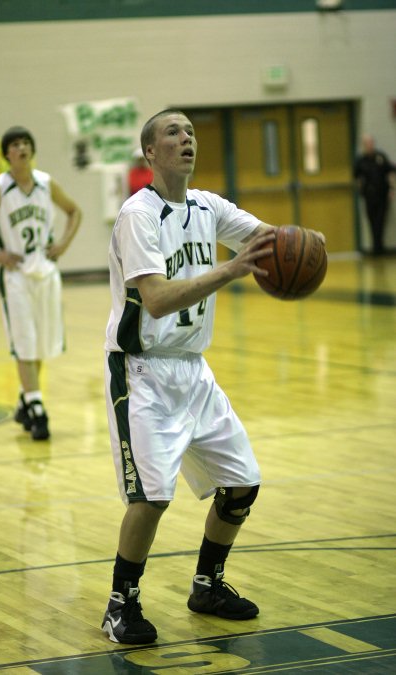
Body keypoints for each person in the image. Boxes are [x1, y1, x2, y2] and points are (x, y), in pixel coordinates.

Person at [102, 109, 325, 645]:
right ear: (150, 153)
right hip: (143, 372)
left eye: (191, 132)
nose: (187, 139)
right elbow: (154, 300)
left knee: (242, 483)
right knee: (150, 498)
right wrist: (230, 269)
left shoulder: (207, 205)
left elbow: (271, 239)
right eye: (173, 132)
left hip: (193, 370)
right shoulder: (139, 215)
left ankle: (207, 585)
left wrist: (305, 242)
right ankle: (119, 605)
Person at [0, 126, 82, 440]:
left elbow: (75, 211)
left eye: (26, 143)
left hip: (46, 271)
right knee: (25, 340)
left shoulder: (46, 183)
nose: (22, 148)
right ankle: (37, 409)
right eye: (15, 144)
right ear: (7, 153)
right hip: (17, 276)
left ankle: (26, 400)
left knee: (40, 341)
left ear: (31, 150)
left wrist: (63, 244)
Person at [354, 134, 395, 256]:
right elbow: (357, 178)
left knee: (380, 222)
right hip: (369, 196)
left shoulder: (380, 157)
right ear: (364, 146)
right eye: (367, 144)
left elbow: (391, 171)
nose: (369, 146)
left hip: (382, 195)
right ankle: (376, 249)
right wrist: (361, 191)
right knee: (372, 222)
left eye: (371, 143)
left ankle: (379, 248)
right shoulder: (361, 161)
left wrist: (392, 189)